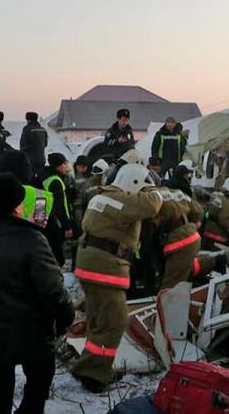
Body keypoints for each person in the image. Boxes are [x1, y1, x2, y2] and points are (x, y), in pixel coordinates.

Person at [0, 173, 75, 414]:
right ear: (17, 202)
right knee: (38, 387)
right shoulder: (31, 238)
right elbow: (53, 290)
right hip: (32, 331)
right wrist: (66, 315)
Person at [71, 164, 162, 393]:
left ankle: (90, 365)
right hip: (104, 265)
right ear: (133, 183)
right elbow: (152, 204)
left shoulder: (102, 197)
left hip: (91, 261)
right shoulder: (119, 200)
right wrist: (157, 191)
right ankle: (93, 374)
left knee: (99, 319)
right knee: (114, 321)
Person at [0, 150, 64, 266]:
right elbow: (48, 234)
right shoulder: (38, 198)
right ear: (26, 169)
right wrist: (57, 261)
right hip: (30, 266)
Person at [202, 180, 229, 250]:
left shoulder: (218, 198)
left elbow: (207, 213)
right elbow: (223, 219)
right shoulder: (228, 203)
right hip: (218, 235)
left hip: (207, 230)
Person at [42, 153, 74, 241]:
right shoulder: (56, 181)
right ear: (57, 166)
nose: (66, 166)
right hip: (59, 224)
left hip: (51, 223)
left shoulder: (47, 178)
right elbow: (59, 206)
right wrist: (67, 226)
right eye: (64, 164)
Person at [20, 112, 48, 176]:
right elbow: (45, 144)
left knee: (30, 178)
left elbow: (23, 145)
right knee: (40, 178)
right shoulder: (43, 130)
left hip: (30, 160)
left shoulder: (27, 129)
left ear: (28, 119)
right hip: (41, 159)